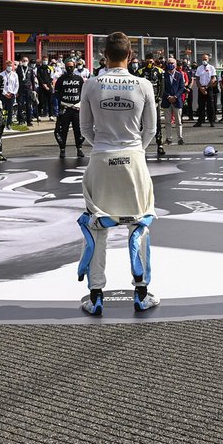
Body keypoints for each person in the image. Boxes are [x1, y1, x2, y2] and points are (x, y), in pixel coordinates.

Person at [77, 32, 159, 315]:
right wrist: (135, 149)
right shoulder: (144, 84)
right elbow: (150, 130)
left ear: (105, 56)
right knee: (139, 224)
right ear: (131, 56)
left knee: (96, 226)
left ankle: (96, 295)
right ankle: (141, 292)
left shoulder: (90, 84)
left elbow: (85, 128)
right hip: (134, 158)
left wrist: (103, 147)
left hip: (101, 158)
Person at [54, 62, 86, 159]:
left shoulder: (79, 79)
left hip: (77, 109)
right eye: (68, 67)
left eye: (71, 67)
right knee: (63, 130)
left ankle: (79, 149)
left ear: (74, 67)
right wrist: (60, 105)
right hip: (65, 108)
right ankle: (62, 150)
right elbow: (56, 93)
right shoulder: (61, 79)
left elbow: (83, 92)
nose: (70, 69)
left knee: (78, 130)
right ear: (65, 68)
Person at [161, 57, 186, 146]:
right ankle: (169, 138)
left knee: (178, 121)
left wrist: (175, 96)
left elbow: (182, 87)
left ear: (175, 64)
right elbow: (162, 88)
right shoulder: (163, 75)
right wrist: (168, 97)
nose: (170, 65)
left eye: (172, 63)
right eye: (169, 63)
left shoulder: (179, 75)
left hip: (177, 100)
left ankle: (180, 138)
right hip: (167, 101)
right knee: (167, 121)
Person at [192, 54, 217, 127]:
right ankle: (200, 121)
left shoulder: (211, 68)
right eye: (203, 59)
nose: (204, 61)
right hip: (201, 88)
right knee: (201, 105)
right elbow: (197, 79)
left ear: (208, 59)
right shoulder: (199, 68)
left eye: (205, 59)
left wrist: (206, 87)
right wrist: (200, 88)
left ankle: (211, 121)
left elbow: (213, 79)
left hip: (209, 88)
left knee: (210, 106)